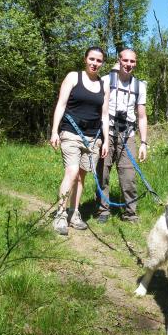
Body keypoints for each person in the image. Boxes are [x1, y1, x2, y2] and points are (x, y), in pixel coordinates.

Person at [50, 46, 109, 235]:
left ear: (102, 63)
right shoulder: (73, 77)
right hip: (71, 133)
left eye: (99, 61)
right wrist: (54, 131)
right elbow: (61, 104)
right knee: (72, 172)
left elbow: (105, 115)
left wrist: (106, 140)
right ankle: (60, 215)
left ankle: (74, 213)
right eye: (92, 59)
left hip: (93, 138)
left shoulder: (103, 84)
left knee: (82, 176)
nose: (95, 63)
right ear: (85, 59)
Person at [96, 49, 148, 223]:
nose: (128, 64)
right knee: (103, 172)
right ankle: (103, 210)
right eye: (125, 60)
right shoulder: (105, 80)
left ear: (136, 63)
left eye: (132, 61)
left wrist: (144, 143)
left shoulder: (139, 86)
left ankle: (130, 213)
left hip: (128, 135)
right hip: (106, 133)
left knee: (129, 176)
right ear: (119, 61)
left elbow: (142, 116)